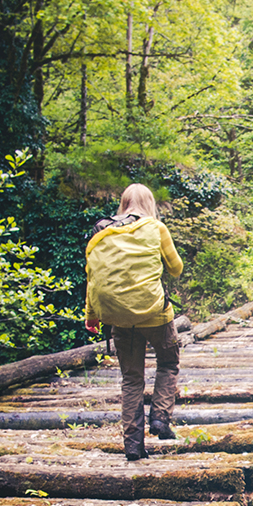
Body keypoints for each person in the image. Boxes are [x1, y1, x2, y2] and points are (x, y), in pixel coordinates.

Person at [84, 183, 184, 461]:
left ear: (123, 203)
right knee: (168, 362)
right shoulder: (155, 228)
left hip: (119, 319)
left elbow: (93, 278)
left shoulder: (102, 232)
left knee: (131, 380)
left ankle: (133, 447)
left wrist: (91, 315)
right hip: (155, 315)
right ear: (150, 203)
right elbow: (176, 270)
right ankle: (160, 418)